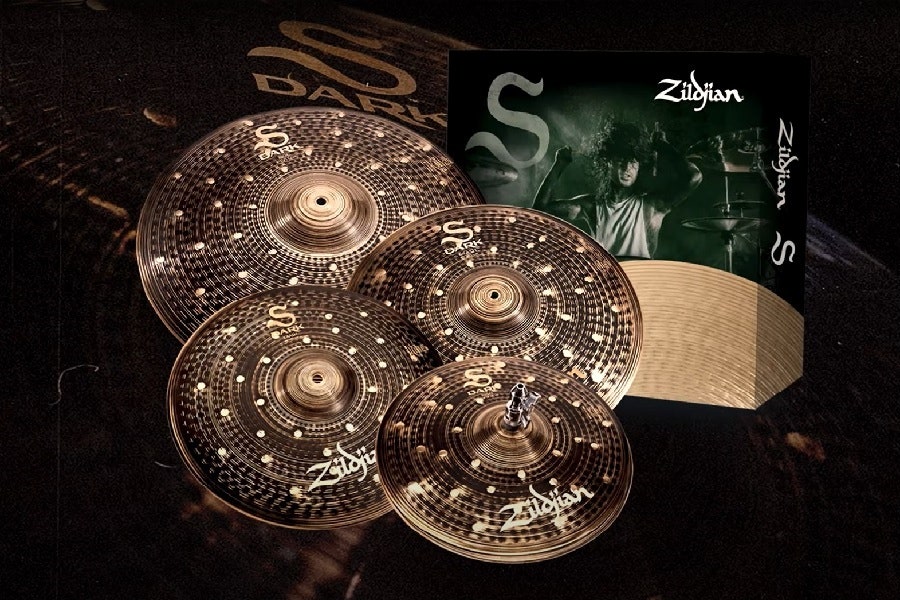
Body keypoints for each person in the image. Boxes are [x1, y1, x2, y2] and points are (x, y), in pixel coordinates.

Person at [532, 120, 702, 259]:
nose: (627, 167)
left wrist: (663, 146)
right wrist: (559, 165)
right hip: (608, 286)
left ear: (639, 166)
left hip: (641, 285)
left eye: (633, 162)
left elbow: (693, 176)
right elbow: (540, 210)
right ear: (608, 162)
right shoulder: (592, 206)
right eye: (621, 160)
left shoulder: (652, 207)